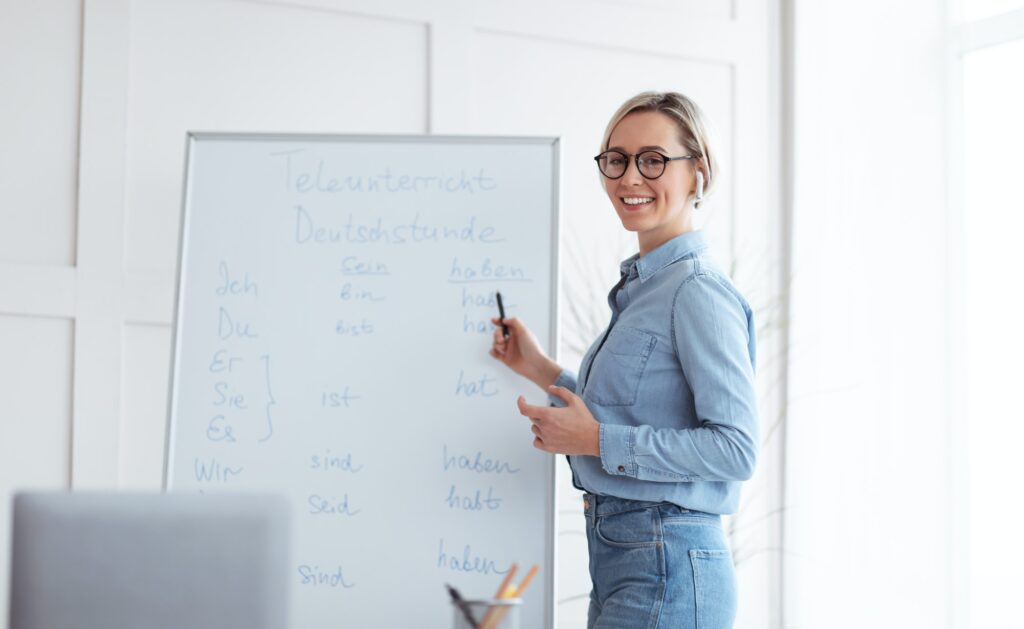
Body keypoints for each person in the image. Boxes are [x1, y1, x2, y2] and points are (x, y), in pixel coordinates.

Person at [489, 91, 759, 628]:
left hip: (668, 561)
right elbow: (631, 412)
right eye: (616, 159)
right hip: (628, 561)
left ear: (697, 171)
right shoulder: (645, 288)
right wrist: (539, 368)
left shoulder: (697, 291)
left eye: (653, 160)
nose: (629, 178)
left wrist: (595, 441)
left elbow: (736, 449)